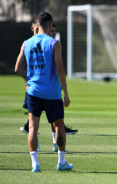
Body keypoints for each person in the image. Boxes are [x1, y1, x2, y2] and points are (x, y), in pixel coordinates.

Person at [15, 12, 74, 172]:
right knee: (59, 125)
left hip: (33, 91)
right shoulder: (54, 43)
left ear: (36, 25)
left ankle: (35, 164)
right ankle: (61, 162)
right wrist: (66, 92)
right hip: (52, 93)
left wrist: (28, 81)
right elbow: (60, 69)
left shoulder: (26, 43)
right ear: (49, 25)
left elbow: (17, 68)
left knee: (33, 127)